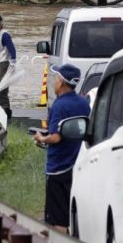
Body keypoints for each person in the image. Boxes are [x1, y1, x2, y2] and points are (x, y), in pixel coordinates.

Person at [32, 64, 90, 232]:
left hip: (58, 168)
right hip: (78, 165)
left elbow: (56, 137)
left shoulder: (59, 105)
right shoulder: (83, 103)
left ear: (62, 83)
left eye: (56, 78)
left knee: (58, 219)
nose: (53, 82)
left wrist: (41, 138)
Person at [0, 13, 17, 121]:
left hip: (3, 63)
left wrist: (13, 61)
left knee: (1, 87)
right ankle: (1, 111)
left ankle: (6, 112)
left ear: (1, 23)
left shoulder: (5, 34)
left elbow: (12, 49)